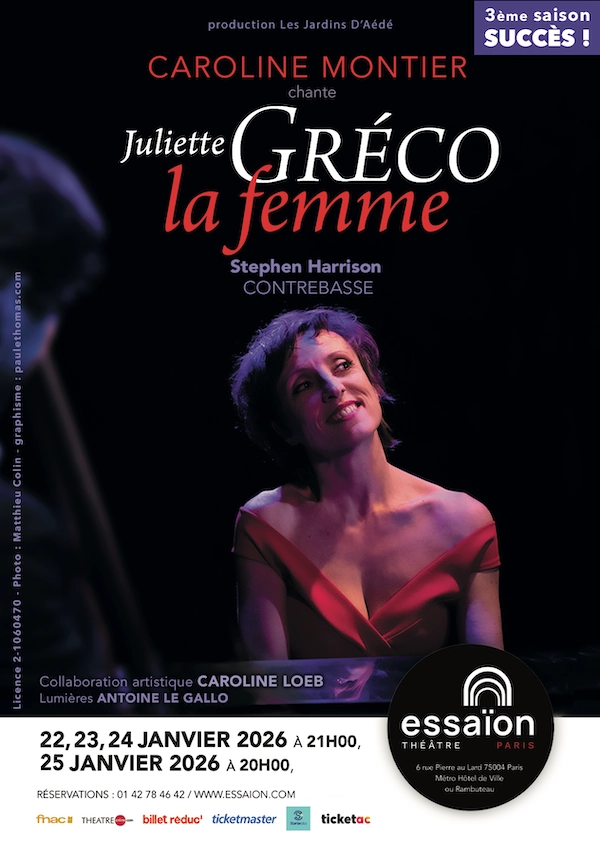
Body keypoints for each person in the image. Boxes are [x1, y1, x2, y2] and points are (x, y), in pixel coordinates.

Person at [231, 307, 503, 661]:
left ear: (374, 382)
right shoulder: (265, 526)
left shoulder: (464, 521)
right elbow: (269, 689)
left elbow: (487, 681)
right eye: (303, 386)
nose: (333, 388)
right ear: (284, 429)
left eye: (343, 365)